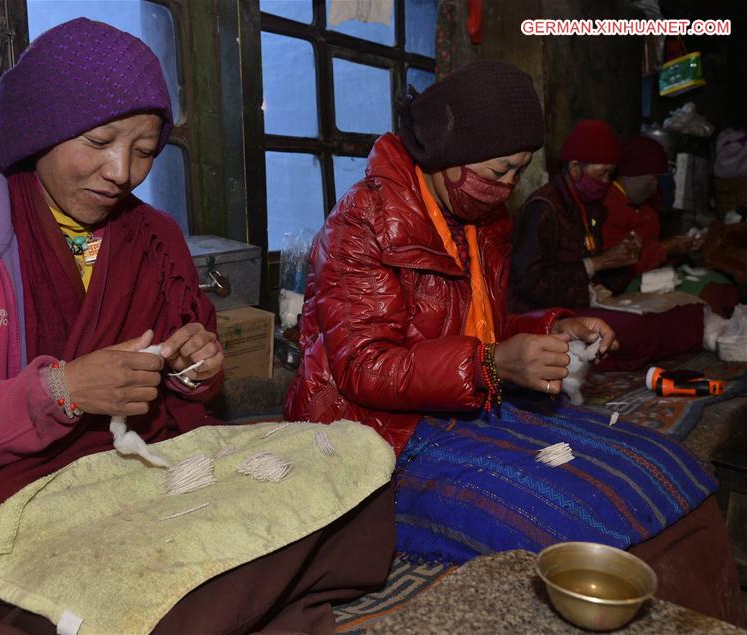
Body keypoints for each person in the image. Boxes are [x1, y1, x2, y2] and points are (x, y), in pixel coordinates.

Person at [0, 18, 394, 634]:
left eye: (144, 151)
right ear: (41, 131)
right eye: (99, 141)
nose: (122, 171)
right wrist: (61, 392)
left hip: (133, 473)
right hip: (9, 501)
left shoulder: (154, 238)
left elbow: (183, 380)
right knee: (170, 576)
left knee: (353, 460)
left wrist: (196, 369)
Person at [284, 61, 746, 626]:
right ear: (449, 155)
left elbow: (478, 328)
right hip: (376, 439)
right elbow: (365, 367)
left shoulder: (477, 216)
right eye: (500, 171)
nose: (508, 188)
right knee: (575, 515)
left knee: (665, 467)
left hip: (458, 399)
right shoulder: (363, 225)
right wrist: (489, 364)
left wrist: (550, 327)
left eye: (519, 173)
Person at [510, 119, 706, 370]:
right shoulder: (544, 208)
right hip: (547, 312)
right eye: (601, 174)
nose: (606, 182)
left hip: (586, 301)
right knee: (635, 331)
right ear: (575, 169)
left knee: (678, 314)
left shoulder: (591, 206)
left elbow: (608, 280)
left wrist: (624, 258)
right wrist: (596, 263)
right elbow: (530, 283)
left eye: (610, 175)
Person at [603, 135, 737, 316]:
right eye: (652, 178)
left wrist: (684, 247)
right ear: (631, 174)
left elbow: (653, 250)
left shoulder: (645, 207)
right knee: (706, 300)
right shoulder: (609, 206)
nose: (655, 186)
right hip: (627, 285)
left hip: (656, 274)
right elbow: (617, 268)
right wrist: (666, 248)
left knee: (722, 285)